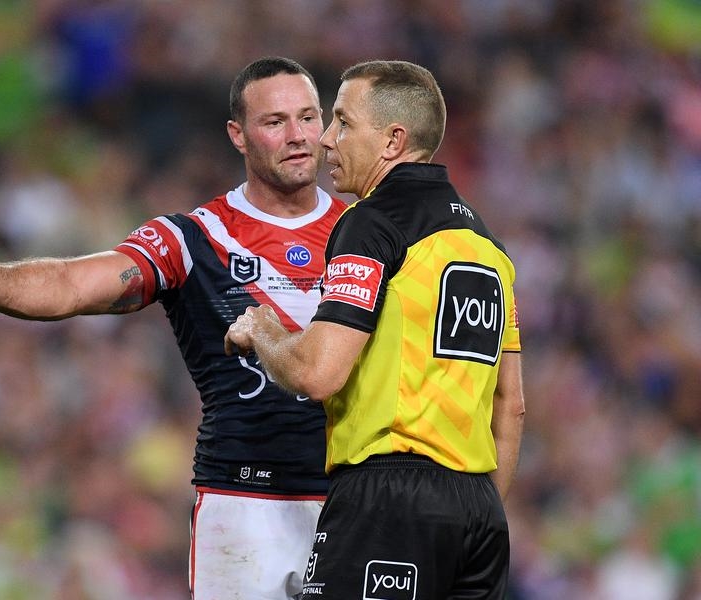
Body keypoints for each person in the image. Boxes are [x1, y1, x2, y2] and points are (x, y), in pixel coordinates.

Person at [0, 57, 347, 600]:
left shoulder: (366, 235)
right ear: (238, 135)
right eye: (275, 121)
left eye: (308, 117)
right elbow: (73, 284)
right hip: (244, 504)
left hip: (355, 496)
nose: (298, 135)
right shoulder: (194, 237)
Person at [224, 60, 525, 599]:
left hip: (387, 499)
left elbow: (319, 374)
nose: (326, 140)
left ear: (393, 141)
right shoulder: (490, 249)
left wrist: (263, 329)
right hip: (480, 516)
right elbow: (512, 406)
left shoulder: (370, 221)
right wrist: (469, 517)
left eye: (343, 122)